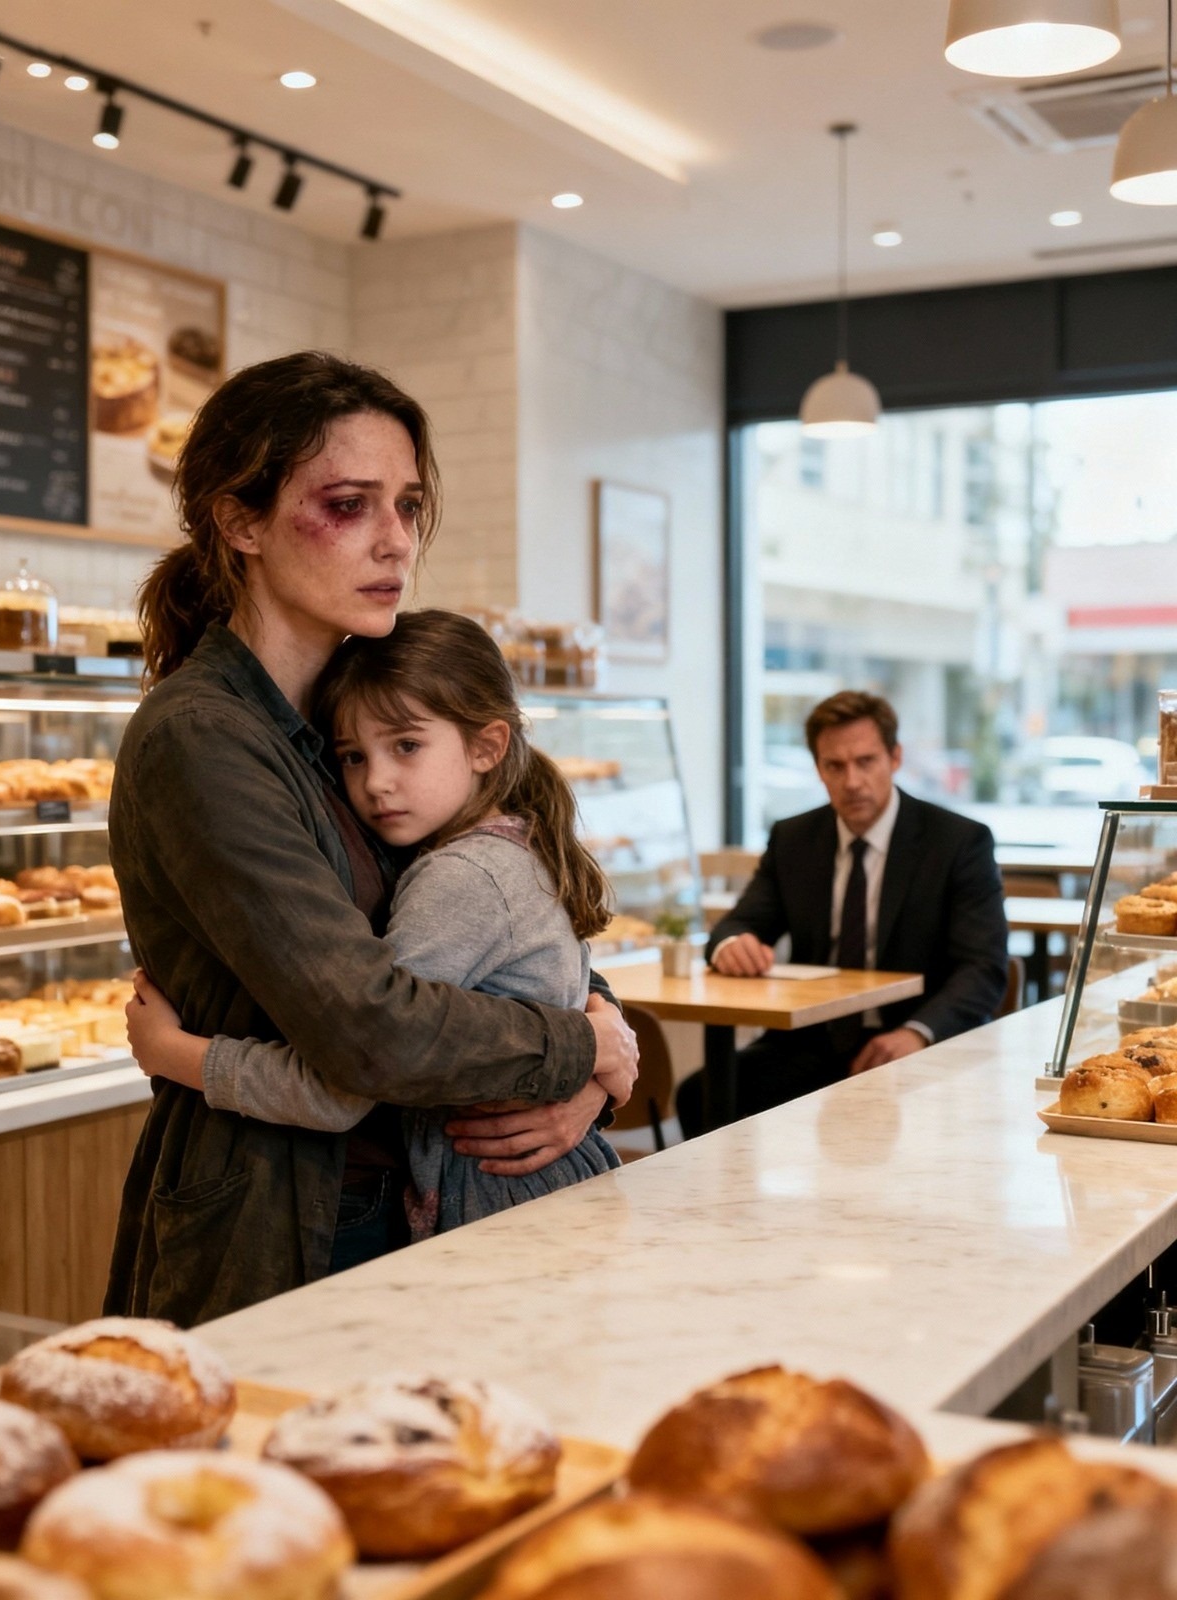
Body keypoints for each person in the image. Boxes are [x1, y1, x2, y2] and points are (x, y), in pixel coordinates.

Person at [106, 351, 637, 1325]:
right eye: (351, 505)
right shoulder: (205, 737)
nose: (395, 541)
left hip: (425, 1200)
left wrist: (598, 1038)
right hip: (290, 1219)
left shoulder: (357, 710)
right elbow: (372, 1026)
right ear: (240, 520)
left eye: (409, 506)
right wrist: (577, 1043)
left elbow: (490, 906)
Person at [125, 609, 621, 1241]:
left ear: (486, 747)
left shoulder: (462, 879)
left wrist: (175, 1055)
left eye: (406, 746)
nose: (376, 783)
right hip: (526, 1185)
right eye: (352, 757)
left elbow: (347, 1084)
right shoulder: (506, 846)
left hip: (500, 1196)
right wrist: (594, 1044)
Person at [677, 691, 1007, 1135]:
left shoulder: (957, 842)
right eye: (835, 766)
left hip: (915, 1036)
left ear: (894, 758)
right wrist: (735, 945)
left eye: (866, 761)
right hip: (814, 1039)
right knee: (701, 1094)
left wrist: (917, 1032)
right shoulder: (794, 839)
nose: (852, 781)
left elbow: (983, 968)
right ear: (819, 770)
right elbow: (739, 924)